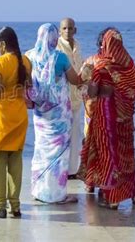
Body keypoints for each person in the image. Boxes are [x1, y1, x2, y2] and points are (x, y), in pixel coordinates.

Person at [78, 28, 135, 210]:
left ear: (103, 44)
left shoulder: (98, 65)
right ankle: (133, 193)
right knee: (126, 153)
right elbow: (134, 90)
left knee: (108, 153)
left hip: (106, 114)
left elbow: (92, 92)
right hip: (125, 116)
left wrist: (89, 81)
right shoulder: (130, 66)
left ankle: (112, 197)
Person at [26, 23, 82, 204]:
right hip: (59, 115)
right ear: (54, 37)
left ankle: (39, 190)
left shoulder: (29, 56)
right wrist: (87, 73)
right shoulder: (61, 58)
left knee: (41, 150)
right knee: (58, 153)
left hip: (40, 114)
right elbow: (75, 80)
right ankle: (56, 194)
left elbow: (25, 82)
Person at [0, 26, 32, 218]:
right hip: (19, 115)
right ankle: (15, 206)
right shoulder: (25, 61)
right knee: (16, 161)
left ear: (2, 44)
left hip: (2, 116)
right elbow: (30, 86)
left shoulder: (0, 62)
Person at [56, 18, 83, 179]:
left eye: (70, 28)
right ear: (60, 31)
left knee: (76, 135)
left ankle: (73, 170)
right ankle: (61, 170)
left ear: (75, 30)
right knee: (61, 137)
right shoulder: (57, 48)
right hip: (61, 100)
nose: (67, 31)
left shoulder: (78, 47)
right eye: (64, 28)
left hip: (77, 98)